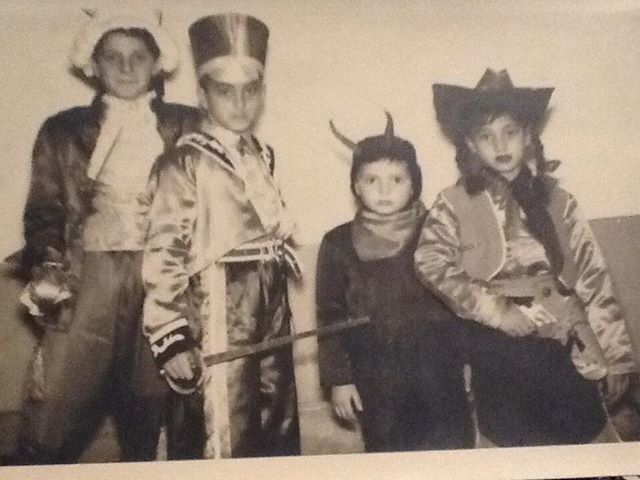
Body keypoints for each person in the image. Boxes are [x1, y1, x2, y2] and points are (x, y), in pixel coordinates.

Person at [415, 68, 637, 446]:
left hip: (565, 340)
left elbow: (592, 276)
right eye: (486, 136)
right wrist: (497, 311)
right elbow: (429, 261)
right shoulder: (453, 203)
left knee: (582, 434)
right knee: (512, 441)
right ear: (470, 144)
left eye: (510, 132)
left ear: (529, 135)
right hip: (498, 346)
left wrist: (616, 355)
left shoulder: (558, 201)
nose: (500, 145)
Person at [16, 7, 199, 463]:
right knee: (57, 401)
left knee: (153, 398)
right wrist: (49, 264)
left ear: (157, 64)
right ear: (94, 65)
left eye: (139, 56)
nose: (126, 67)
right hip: (89, 276)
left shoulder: (188, 125)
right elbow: (44, 212)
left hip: (163, 276)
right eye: (113, 57)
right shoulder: (62, 130)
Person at [142, 13, 300, 459]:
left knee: (276, 416)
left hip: (270, 296)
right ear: (202, 95)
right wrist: (170, 333)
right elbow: (164, 252)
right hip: (219, 302)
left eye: (250, 90)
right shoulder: (183, 162)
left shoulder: (263, 156)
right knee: (228, 420)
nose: (240, 102)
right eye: (225, 91)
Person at [316, 113, 475, 452]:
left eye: (397, 179)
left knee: (451, 453)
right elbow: (330, 316)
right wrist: (339, 380)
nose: (384, 190)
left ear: (414, 184)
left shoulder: (438, 232)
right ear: (355, 186)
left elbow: (463, 301)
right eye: (371, 180)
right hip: (378, 380)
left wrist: (470, 361)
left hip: (439, 373)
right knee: (390, 454)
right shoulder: (337, 244)